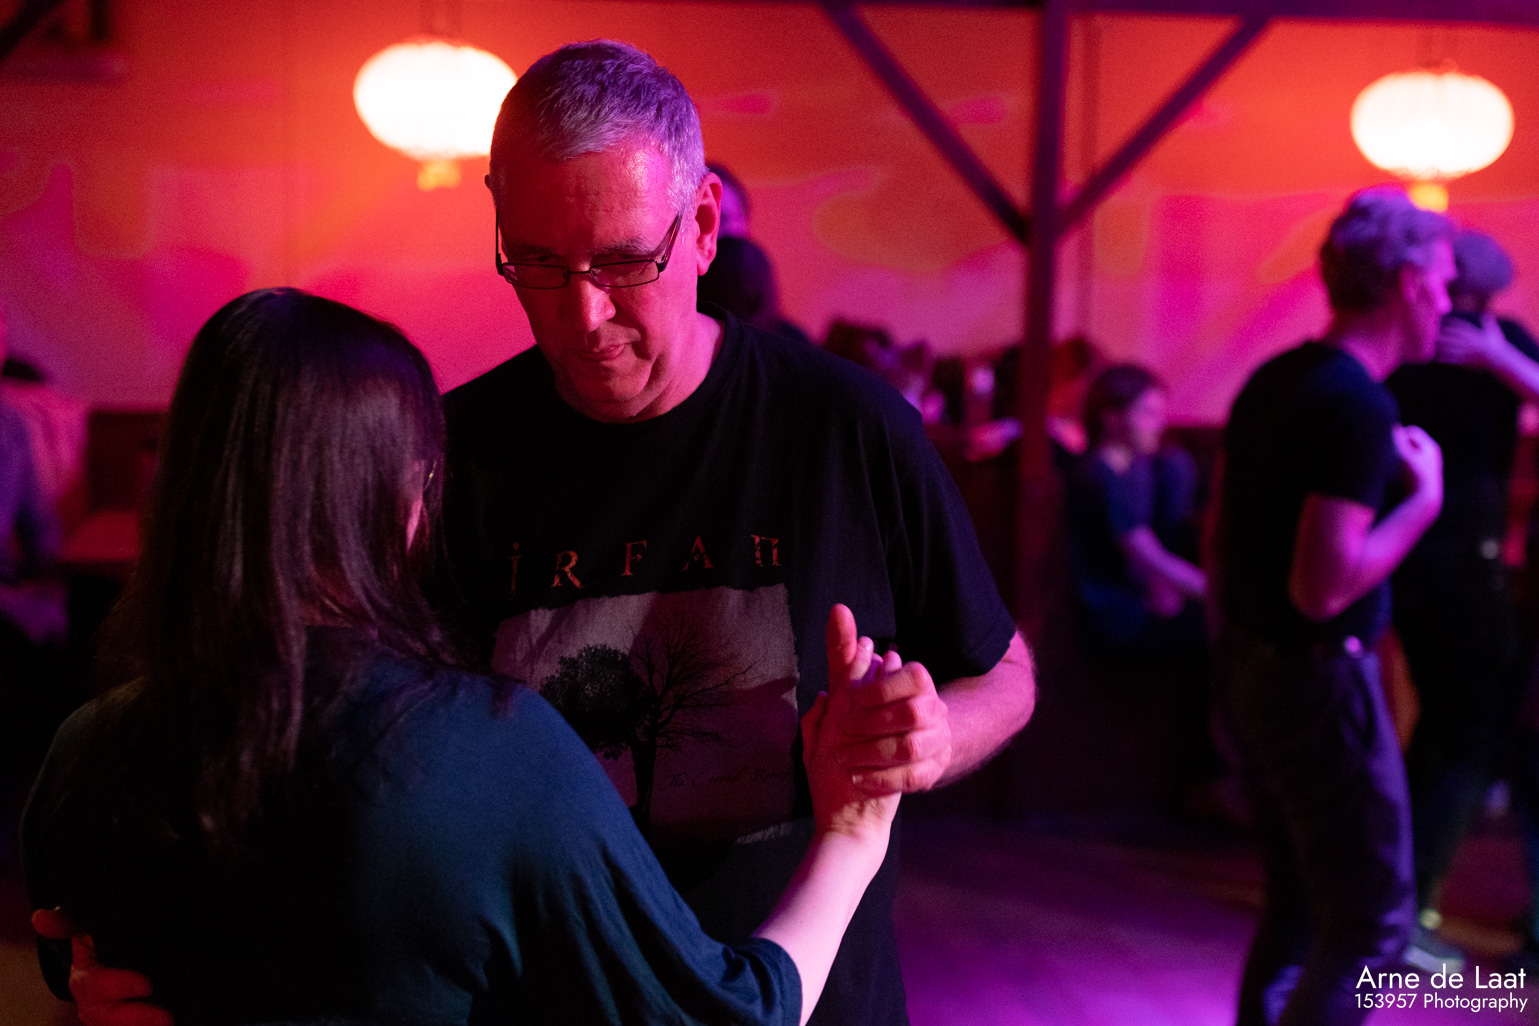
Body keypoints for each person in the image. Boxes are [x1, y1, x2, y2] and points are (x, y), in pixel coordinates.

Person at [23, 287, 906, 1026]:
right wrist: (852, 833)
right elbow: (729, 1018)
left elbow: (81, 966)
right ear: (403, 497)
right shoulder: (484, 754)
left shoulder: (84, 751)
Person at [447, 40, 1035, 1026]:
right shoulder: (451, 452)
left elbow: (1006, 672)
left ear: (705, 226)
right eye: (537, 262)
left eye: (624, 261)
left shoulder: (845, 428)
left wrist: (930, 739)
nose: (581, 314)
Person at [1212, 186, 1451, 1026]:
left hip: (1251, 668)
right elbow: (1321, 589)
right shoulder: (1357, 404)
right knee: (1368, 922)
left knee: (1296, 905)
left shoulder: (1274, 378)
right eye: (1443, 284)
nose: (1447, 304)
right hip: (1316, 683)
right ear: (1408, 284)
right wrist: (1423, 502)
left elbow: (1218, 537)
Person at [1383, 228, 1539, 972]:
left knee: (1446, 729)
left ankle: (1400, 901)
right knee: (1466, 731)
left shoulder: (1413, 342)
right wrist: (1500, 360)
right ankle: (1407, 908)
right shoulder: (1496, 341)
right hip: (1460, 563)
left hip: (1406, 555)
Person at [1066, 362, 1205, 655]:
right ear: (1112, 418)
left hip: (1136, 602)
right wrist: (1215, 594)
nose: (1159, 424)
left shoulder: (1134, 468)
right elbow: (1144, 553)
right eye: (1148, 413)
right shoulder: (1097, 474)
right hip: (1116, 615)